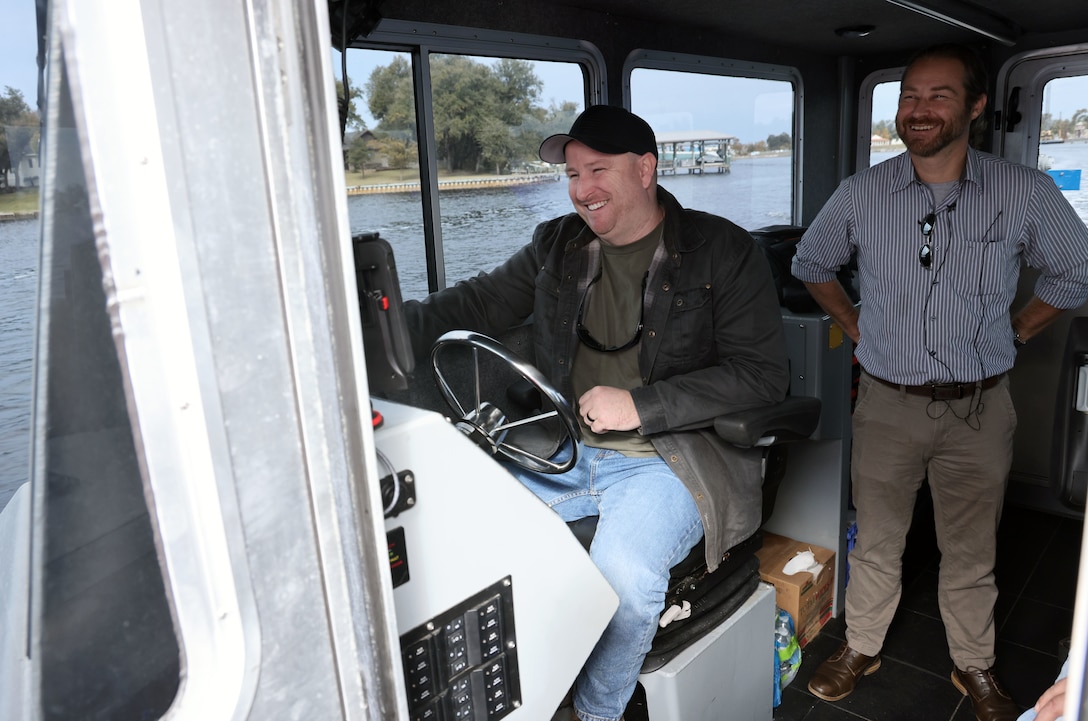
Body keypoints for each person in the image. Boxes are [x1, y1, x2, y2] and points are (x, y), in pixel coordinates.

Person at [404, 104, 789, 721]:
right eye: (572, 174)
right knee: (465, 539)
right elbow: (478, 299)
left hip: (671, 462)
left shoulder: (724, 250)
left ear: (645, 169)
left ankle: (595, 712)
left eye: (597, 170)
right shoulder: (557, 244)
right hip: (563, 449)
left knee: (623, 578)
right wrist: (377, 331)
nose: (582, 190)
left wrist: (640, 404)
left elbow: (763, 377)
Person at [791, 43, 1088, 721]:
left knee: (972, 547)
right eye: (909, 97)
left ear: (976, 107)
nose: (919, 111)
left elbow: (1077, 270)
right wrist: (858, 326)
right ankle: (859, 646)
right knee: (879, 538)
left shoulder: (1023, 192)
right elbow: (813, 262)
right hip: (889, 405)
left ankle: (972, 664)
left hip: (980, 408)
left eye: (939, 96)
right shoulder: (863, 191)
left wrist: (1017, 330)